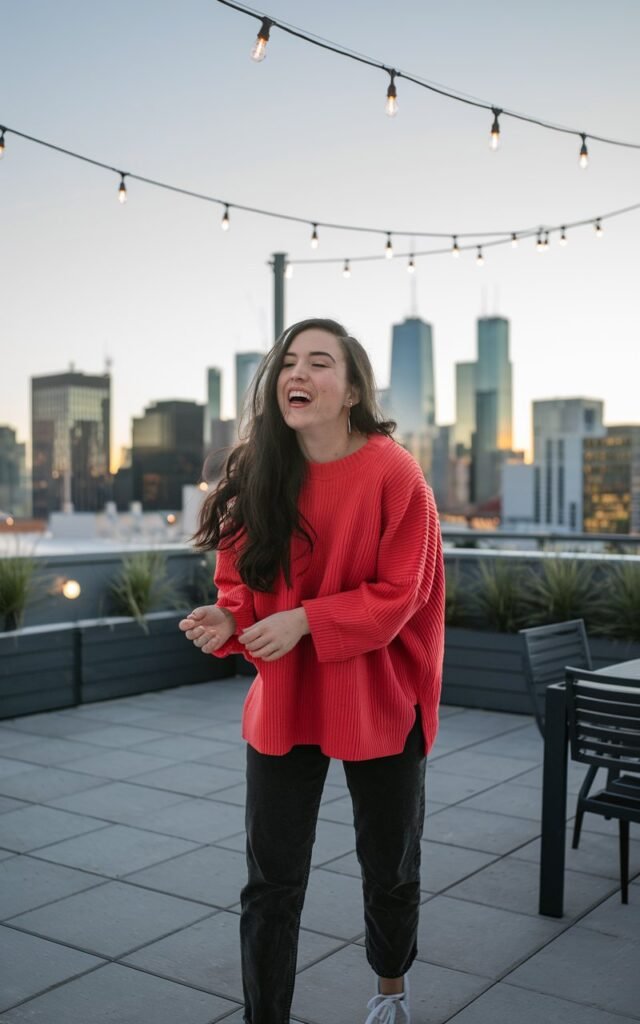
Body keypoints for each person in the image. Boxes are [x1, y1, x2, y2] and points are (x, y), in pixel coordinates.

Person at [180, 317, 445, 1024]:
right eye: (288, 362)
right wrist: (231, 618)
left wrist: (304, 620)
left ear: (353, 388)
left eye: (320, 362)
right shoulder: (256, 469)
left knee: (389, 867)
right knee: (270, 883)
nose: (298, 374)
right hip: (288, 700)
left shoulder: (394, 471)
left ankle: (391, 992)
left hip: (380, 698)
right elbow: (238, 576)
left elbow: (401, 596)